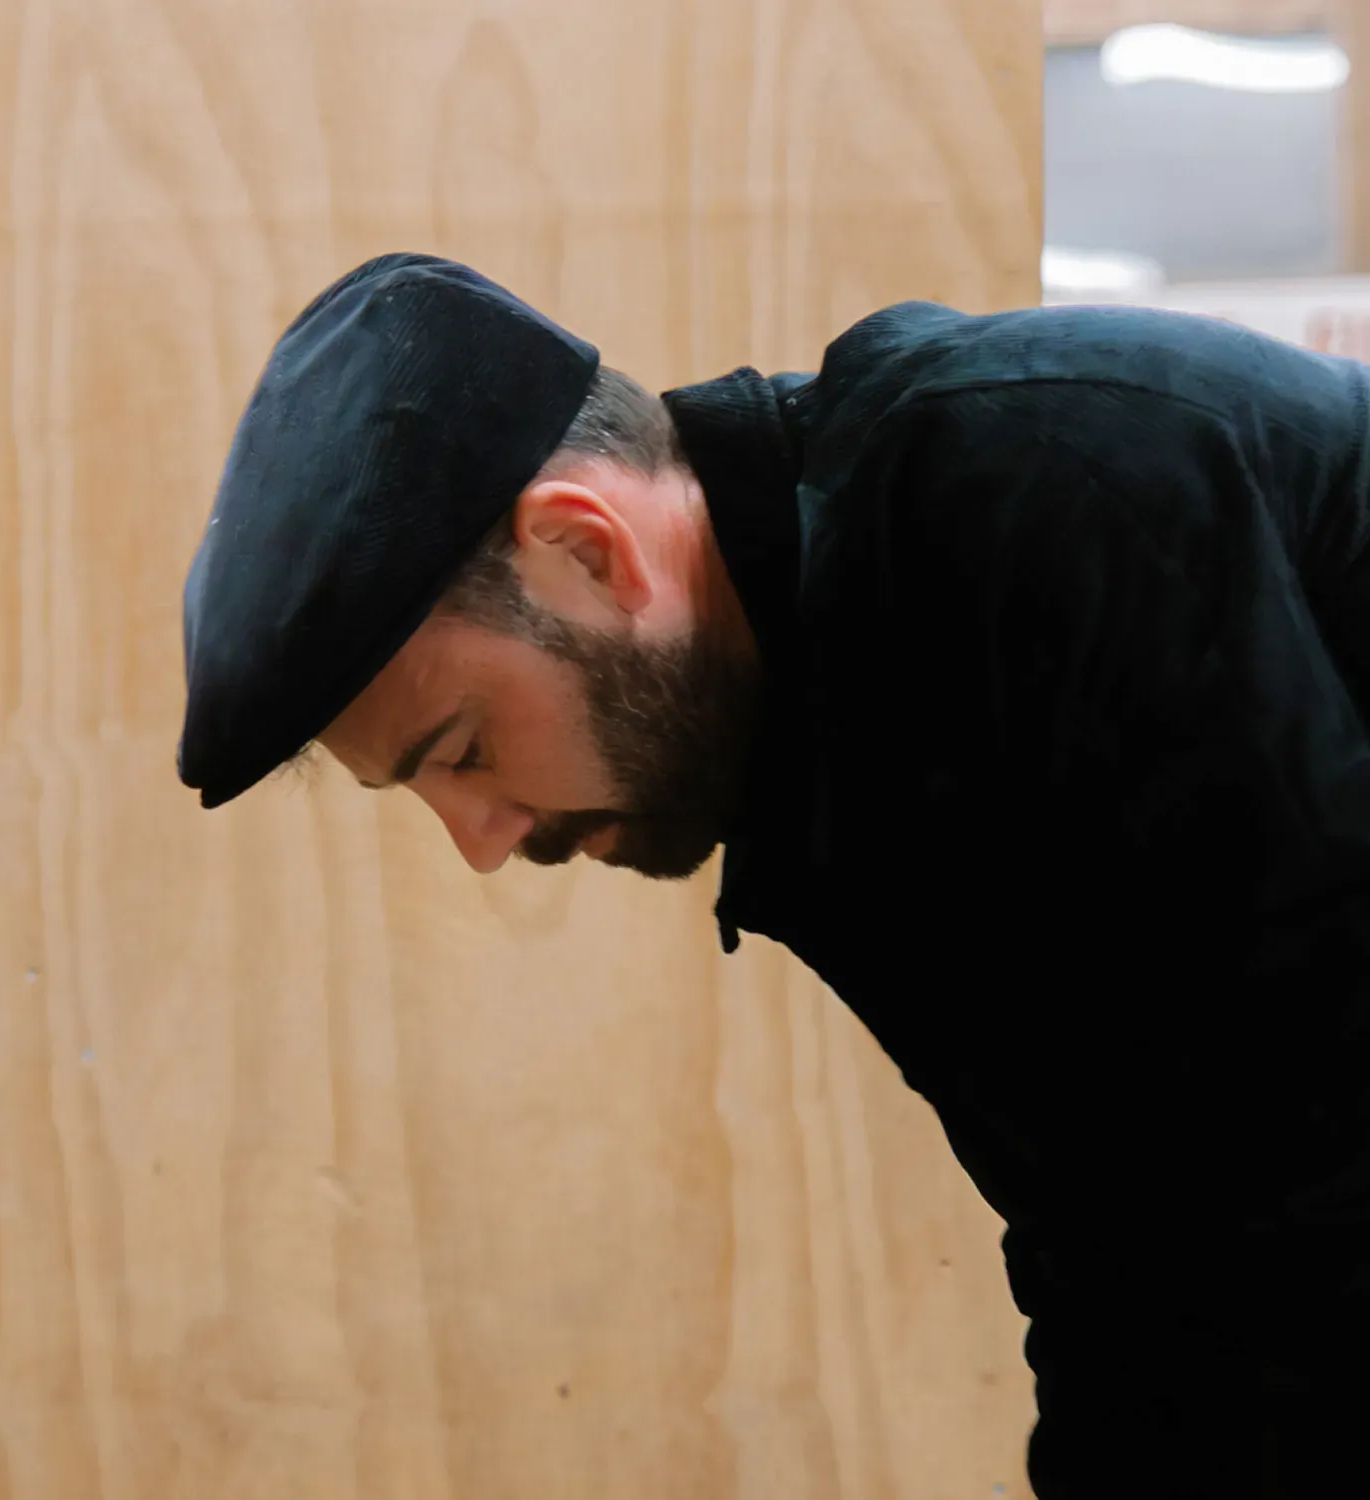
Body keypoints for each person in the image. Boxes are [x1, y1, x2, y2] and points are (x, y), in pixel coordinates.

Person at [178, 253, 1370, 1498]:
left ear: (587, 552)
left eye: (464, 751)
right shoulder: (803, 711)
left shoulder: (1027, 494)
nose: (478, 840)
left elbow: (1315, 1164)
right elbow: (1118, 1238)